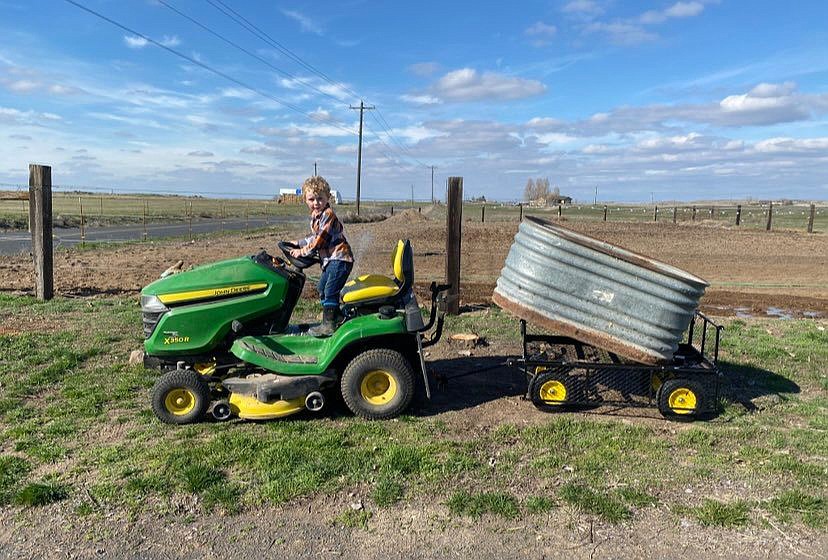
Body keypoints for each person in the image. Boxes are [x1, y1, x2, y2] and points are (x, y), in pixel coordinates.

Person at [290, 176, 354, 336]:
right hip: (331, 261)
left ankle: (328, 325)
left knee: (331, 290)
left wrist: (301, 252)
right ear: (305, 199)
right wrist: (298, 243)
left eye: (320, 199)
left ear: (327, 198)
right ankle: (336, 317)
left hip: (340, 259)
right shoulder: (316, 216)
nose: (316, 202)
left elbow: (319, 241)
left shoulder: (328, 215)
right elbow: (314, 237)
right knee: (322, 289)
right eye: (311, 199)